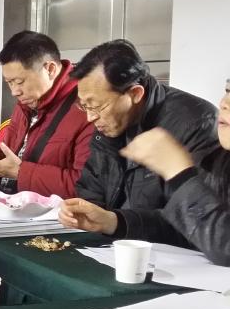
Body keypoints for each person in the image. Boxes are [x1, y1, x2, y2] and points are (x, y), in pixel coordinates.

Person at [59, 39, 221, 245]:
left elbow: (197, 219)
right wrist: (84, 211)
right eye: (85, 106)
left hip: (169, 254)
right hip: (115, 245)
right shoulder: (109, 122)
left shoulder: (196, 123)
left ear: (135, 94)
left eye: (97, 106)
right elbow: (92, 187)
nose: (90, 117)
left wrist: (115, 222)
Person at [60, 80, 230, 265]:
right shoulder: (221, 159)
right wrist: (113, 222)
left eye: (99, 105)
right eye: (227, 91)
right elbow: (188, 229)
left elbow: (224, 245)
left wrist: (180, 176)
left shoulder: (195, 122)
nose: (224, 103)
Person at [0, 31, 93, 198]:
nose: (14, 92)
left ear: (50, 69)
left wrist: (20, 172)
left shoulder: (87, 108)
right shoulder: (27, 102)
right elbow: (11, 160)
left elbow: (85, 188)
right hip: (4, 199)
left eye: (20, 82)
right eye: (9, 83)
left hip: (46, 210)